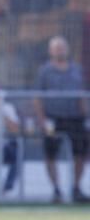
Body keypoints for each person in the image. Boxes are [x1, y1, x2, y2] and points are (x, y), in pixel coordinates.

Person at [32, 36, 87, 203]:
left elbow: (82, 95)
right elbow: (37, 97)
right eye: (56, 48)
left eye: (62, 47)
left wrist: (86, 115)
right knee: (51, 154)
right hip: (52, 119)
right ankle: (56, 190)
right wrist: (41, 119)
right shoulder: (44, 72)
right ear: (50, 51)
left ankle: (76, 188)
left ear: (67, 50)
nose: (60, 51)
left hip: (75, 118)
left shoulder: (76, 70)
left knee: (81, 152)